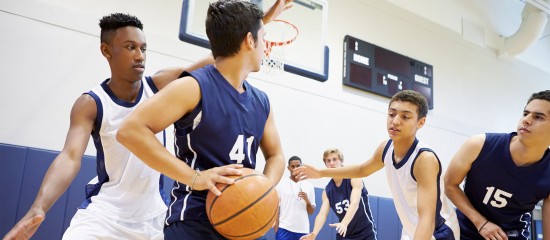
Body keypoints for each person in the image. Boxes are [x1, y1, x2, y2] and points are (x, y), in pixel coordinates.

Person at [3, 1, 291, 238]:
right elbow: (69, 157)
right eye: (130, 47)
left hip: (153, 217)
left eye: (143, 48)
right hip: (106, 214)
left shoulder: (161, 84)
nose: (140, 55)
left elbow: (224, 58)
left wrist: (258, 23)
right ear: (107, 51)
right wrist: (38, 207)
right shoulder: (92, 102)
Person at [116, 0, 290, 239]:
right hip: (194, 220)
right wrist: (194, 178)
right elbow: (130, 130)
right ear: (250, 41)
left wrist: (263, 190)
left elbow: (276, 155)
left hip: (243, 222)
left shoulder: (262, 101)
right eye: (263, 37)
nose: (266, 46)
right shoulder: (193, 87)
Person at [296, 90, 460, 240]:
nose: (395, 121)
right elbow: (362, 169)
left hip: (438, 231)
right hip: (411, 229)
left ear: (421, 122)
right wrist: (320, 172)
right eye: (391, 114)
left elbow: (427, 218)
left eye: (405, 117)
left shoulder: (424, 159)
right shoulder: (386, 148)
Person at [444, 90, 550, 240]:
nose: (526, 120)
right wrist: (481, 223)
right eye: (525, 113)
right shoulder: (479, 144)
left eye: (538, 117)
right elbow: (449, 184)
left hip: (509, 235)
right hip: (464, 229)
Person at [300, 148, 377, 240]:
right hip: (344, 233)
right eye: (328, 161)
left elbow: (355, 203)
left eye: (334, 159)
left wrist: (344, 223)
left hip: (365, 233)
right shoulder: (327, 191)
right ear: (325, 165)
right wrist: (314, 233)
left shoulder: (354, 177)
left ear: (341, 161)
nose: (332, 163)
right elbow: (322, 214)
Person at [275, 156, 316, 240]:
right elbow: (276, 207)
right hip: (284, 228)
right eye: (293, 166)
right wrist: (276, 226)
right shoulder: (281, 184)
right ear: (288, 168)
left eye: (298, 166)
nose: (295, 168)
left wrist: (307, 201)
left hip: (303, 229)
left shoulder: (309, 186)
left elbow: (311, 212)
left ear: (301, 167)